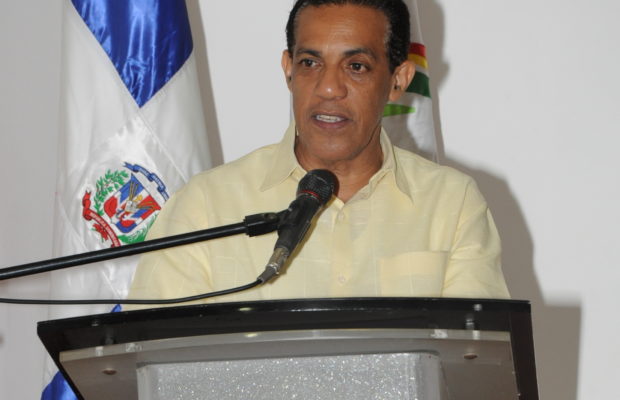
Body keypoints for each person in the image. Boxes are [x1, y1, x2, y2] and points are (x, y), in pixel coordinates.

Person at [127, 0, 509, 306]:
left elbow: (477, 360)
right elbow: (153, 360)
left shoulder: (451, 204)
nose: (328, 88)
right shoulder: (206, 204)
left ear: (398, 80)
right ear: (288, 71)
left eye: (356, 66)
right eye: (310, 63)